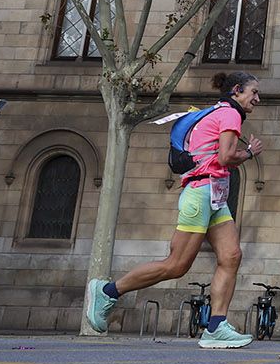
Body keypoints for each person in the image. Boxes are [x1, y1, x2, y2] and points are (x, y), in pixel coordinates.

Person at [84, 71, 264, 349]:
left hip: (214, 196)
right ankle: (107, 291)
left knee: (231, 256)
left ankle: (216, 327)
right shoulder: (230, 114)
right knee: (176, 265)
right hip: (200, 194)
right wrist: (249, 152)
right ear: (237, 90)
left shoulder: (219, 113)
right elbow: (225, 157)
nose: (257, 99)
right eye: (253, 93)